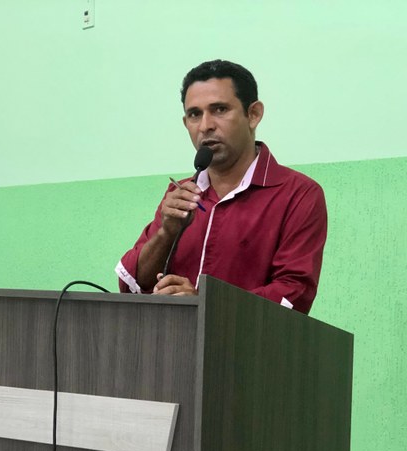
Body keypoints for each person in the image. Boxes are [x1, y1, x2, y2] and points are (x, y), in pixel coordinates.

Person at [116, 59, 327, 314]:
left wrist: (207, 304)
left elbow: (293, 295)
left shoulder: (298, 194)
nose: (205, 126)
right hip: (171, 337)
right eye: (195, 114)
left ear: (253, 114)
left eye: (219, 109)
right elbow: (130, 285)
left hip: (248, 340)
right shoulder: (181, 194)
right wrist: (166, 234)